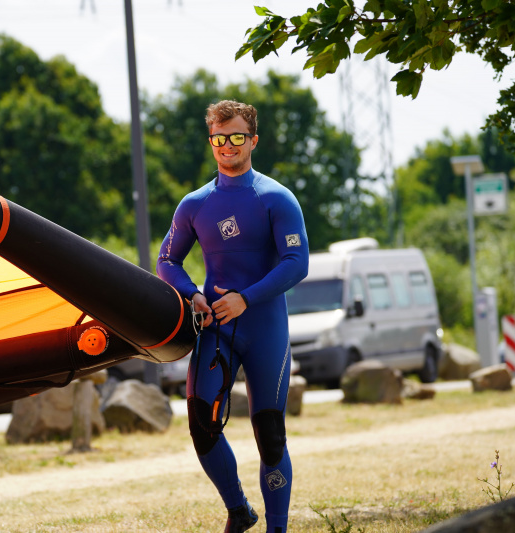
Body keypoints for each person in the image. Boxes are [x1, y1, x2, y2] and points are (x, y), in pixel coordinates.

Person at [156, 100, 309, 533]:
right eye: (219, 138)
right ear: (211, 142)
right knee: (201, 425)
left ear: (253, 140)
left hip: (265, 329)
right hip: (216, 328)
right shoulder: (194, 204)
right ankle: (238, 509)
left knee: (270, 434)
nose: (228, 145)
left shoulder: (276, 198)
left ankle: (277, 528)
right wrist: (192, 295)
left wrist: (247, 298)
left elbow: (297, 262)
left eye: (237, 136)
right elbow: (167, 261)